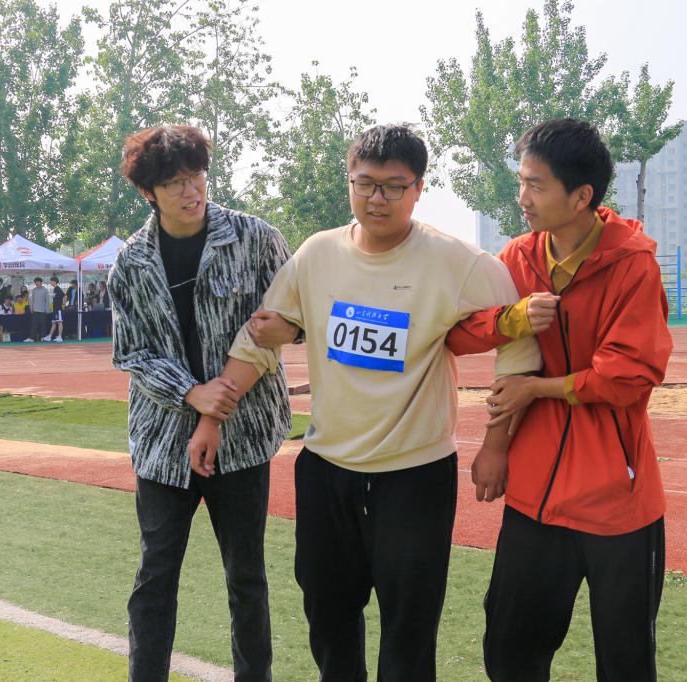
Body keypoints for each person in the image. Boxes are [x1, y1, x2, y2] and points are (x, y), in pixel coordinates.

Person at [203, 124, 541, 680]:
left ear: (419, 189)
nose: (376, 199)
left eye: (393, 186)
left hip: (415, 476)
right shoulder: (317, 254)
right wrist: (215, 413)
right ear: (349, 182)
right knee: (328, 617)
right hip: (326, 470)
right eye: (364, 184)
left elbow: (519, 344)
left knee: (409, 630)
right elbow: (262, 334)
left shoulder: (459, 262)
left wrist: (497, 443)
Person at [444, 118, 673, 681]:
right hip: (534, 493)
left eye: (536, 185)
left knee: (625, 661)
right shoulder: (517, 258)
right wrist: (512, 319)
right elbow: (460, 334)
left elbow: (630, 374)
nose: (522, 198)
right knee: (510, 649)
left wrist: (541, 388)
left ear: (581, 196)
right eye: (521, 182)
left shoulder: (633, 264)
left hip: (618, 497)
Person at [107, 124, 292, 681]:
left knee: (246, 578)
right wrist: (191, 393)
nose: (191, 191)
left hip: (243, 435)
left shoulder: (255, 238)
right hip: (163, 442)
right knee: (155, 576)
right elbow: (132, 353)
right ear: (149, 193)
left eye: (197, 176)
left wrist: (218, 403)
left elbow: (291, 318)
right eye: (174, 184)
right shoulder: (131, 264)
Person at [25, 277, 50, 342]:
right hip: (35, 310)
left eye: (38, 282)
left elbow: (47, 301)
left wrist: (47, 310)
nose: (36, 283)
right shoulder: (34, 290)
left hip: (43, 311)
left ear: (41, 282)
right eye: (35, 282)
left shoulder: (45, 290)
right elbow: (32, 300)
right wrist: (31, 308)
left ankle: (43, 337)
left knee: (43, 325)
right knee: (34, 325)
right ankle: (31, 338)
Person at [44, 275, 65, 342]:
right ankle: (49, 336)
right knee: (54, 323)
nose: (51, 282)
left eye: (51, 281)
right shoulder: (55, 289)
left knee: (59, 322)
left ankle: (60, 337)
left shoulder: (58, 288)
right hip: (55, 309)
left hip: (58, 308)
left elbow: (65, 296)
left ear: (55, 281)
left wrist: (63, 305)